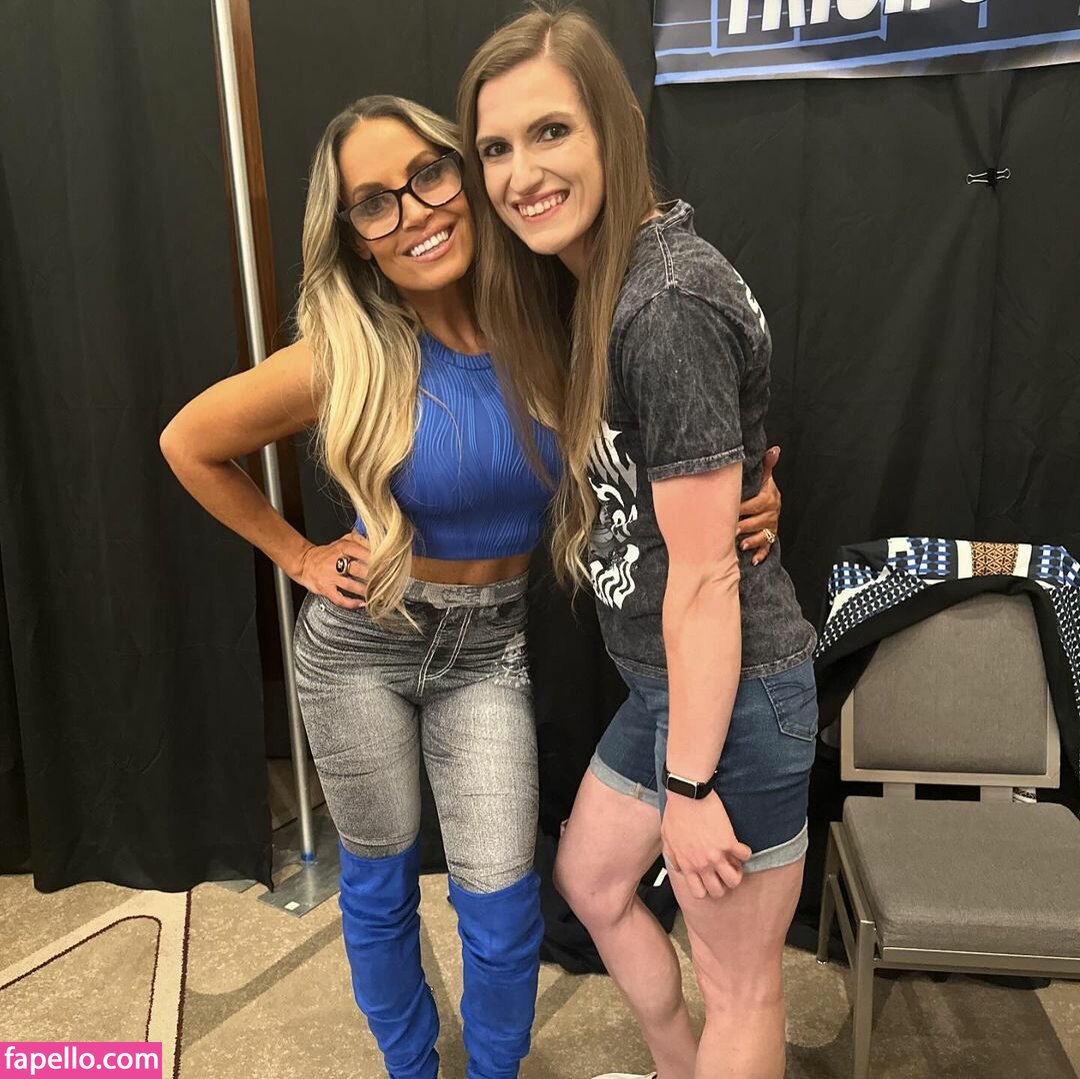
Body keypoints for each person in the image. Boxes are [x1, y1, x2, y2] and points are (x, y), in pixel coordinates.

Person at [160, 93, 781, 1078]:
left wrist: (754, 485)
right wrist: (298, 556)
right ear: (355, 236)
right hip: (361, 647)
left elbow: (683, 416)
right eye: (375, 202)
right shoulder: (347, 353)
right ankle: (412, 1069)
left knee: (500, 901)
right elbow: (188, 442)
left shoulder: (554, 320)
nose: (413, 211)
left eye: (428, 174)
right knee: (380, 890)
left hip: (489, 649)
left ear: (467, 176)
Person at [460, 9, 819, 1079]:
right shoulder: (605, 288)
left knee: (742, 984)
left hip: (733, 696)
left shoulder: (663, 303)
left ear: (615, 124)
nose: (522, 173)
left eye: (551, 132)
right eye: (496, 147)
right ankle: (676, 1062)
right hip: (670, 687)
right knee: (593, 879)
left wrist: (693, 788)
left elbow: (705, 575)